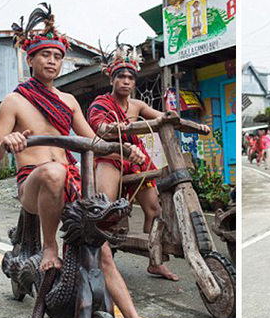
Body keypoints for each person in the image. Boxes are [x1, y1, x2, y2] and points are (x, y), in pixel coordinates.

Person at [0, 4, 171, 318]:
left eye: (57, 55)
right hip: (34, 183)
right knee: (54, 171)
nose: (52, 61)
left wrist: (121, 152)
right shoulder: (13, 101)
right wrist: (6, 143)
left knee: (103, 255)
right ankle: (50, 247)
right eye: (45, 55)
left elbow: (93, 143)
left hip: (70, 183)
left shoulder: (69, 100)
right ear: (31, 60)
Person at [88, 37, 210, 281]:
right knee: (105, 209)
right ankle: (100, 261)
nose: (125, 81)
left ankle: (155, 262)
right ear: (111, 79)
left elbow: (165, 119)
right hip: (111, 156)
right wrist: (113, 131)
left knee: (155, 209)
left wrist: (194, 125)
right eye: (121, 77)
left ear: (134, 81)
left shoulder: (138, 105)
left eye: (130, 77)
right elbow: (99, 128)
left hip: (138, 159)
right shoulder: (99, 104)